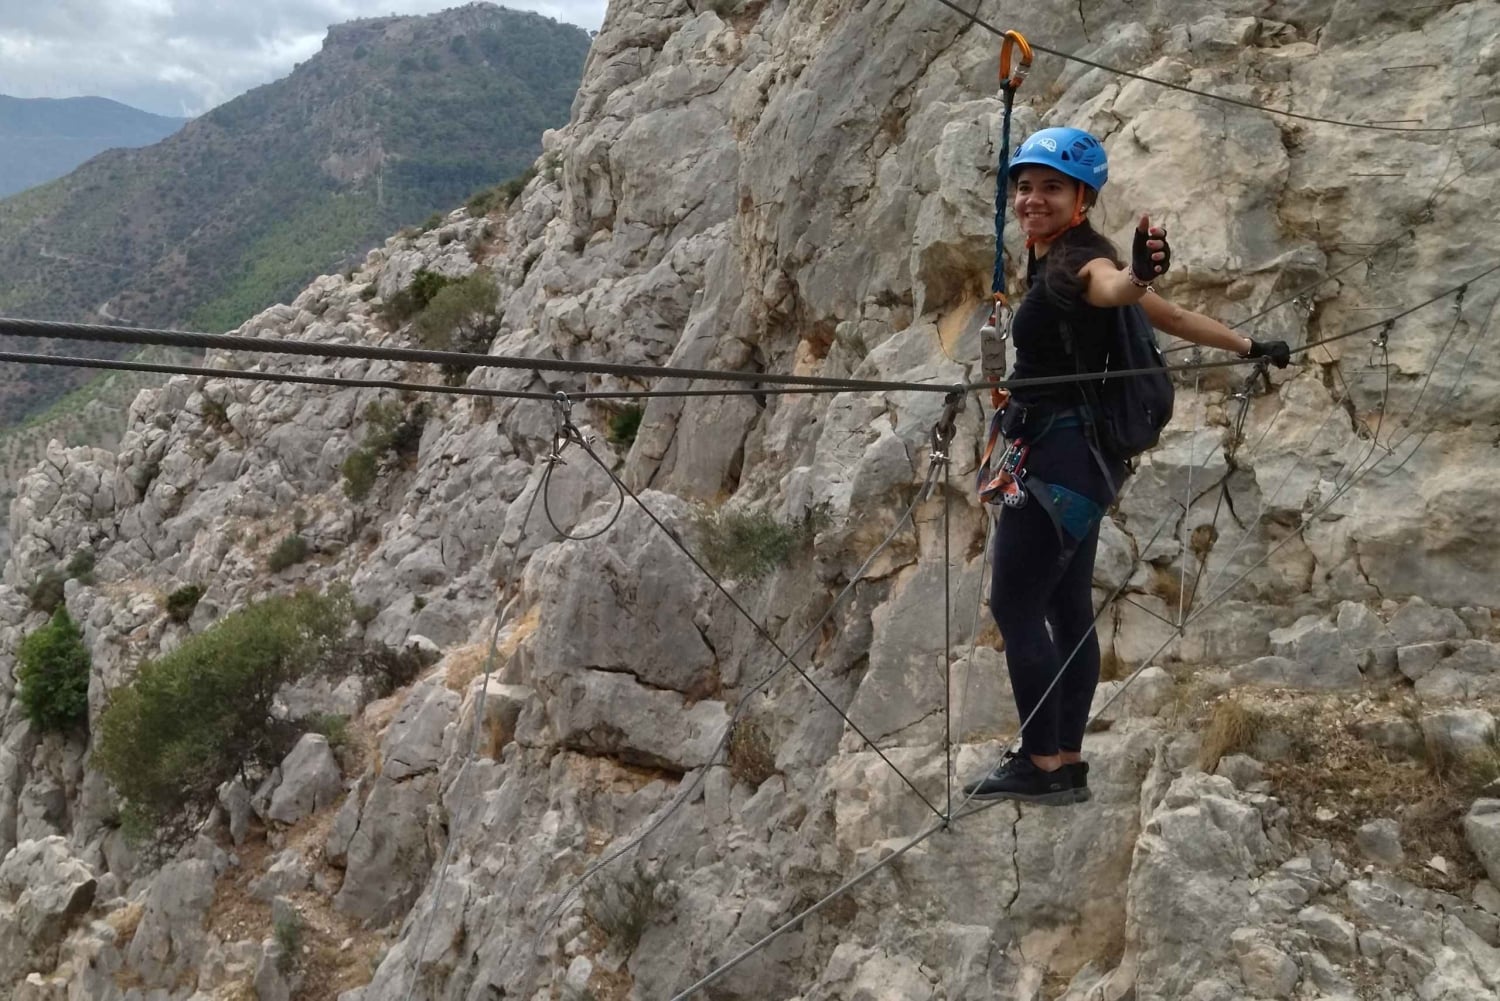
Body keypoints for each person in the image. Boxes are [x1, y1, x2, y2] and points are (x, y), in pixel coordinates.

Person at [963, 126, 1290, 805]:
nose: (1031, 200)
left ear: (1081, 196)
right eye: (1024, 188)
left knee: (1014, 603)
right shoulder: (1061, 256)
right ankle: (1068, 760)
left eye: (1050, 187)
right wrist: (1248, 341)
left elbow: (1121, 290)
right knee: (1065, 607)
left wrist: (1138, 272)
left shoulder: (1081, 265)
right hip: (1082, 464)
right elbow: (1165, 313)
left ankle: (1041, 763)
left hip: (1055, 461)